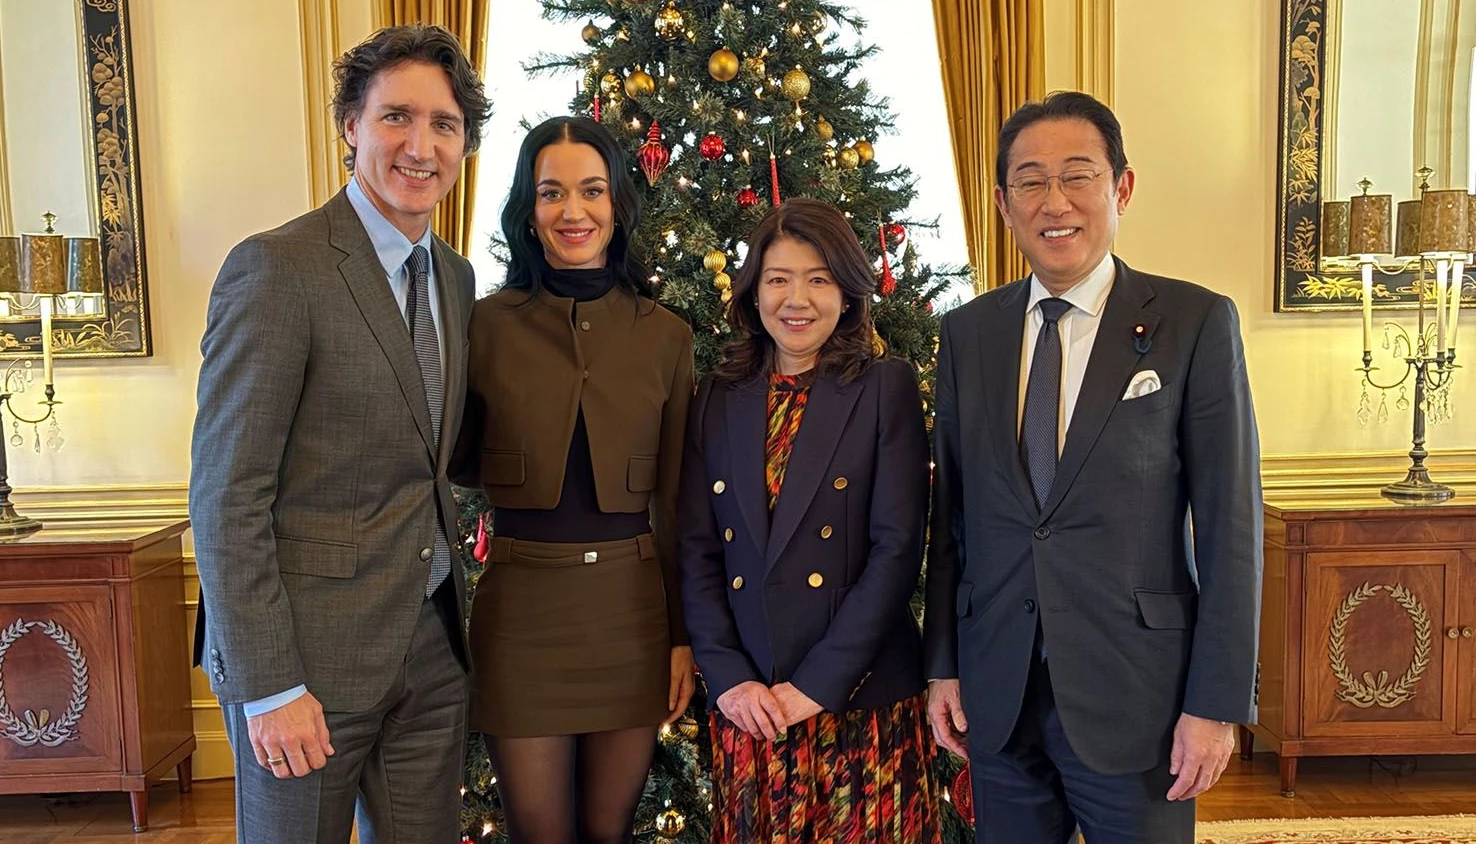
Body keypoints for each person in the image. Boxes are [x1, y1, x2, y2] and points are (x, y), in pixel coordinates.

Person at [923, 90, 1264, 843]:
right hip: (998, 693)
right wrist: (943, 664)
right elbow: (954, 522)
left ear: (1122, 188)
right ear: (1004, 203)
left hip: (1138, 701)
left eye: (1077, 175)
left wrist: (1215, 706)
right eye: (1030, 181)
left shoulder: (1194, 323)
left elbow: (1231, 531)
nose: (1055, 202)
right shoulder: (968, 335)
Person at [189, 25, 489, 844]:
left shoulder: (455, 277)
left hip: (431, 652)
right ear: (351, 125)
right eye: (397, 117)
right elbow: (226, 493)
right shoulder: (278, 268)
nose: (421, 146)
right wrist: (270, 685)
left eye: (445, 124)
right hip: (305, 667)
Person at [449, 115, 694, 844]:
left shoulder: (666, 335)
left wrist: (681, 637)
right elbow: (454, 459)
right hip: (522, 614)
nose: (572, 211)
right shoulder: (483, 325)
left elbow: (675, 503)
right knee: (539, 833)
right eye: (551, 192)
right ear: (528, 210)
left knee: (606, 832)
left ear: (617, 202)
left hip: (632, 617)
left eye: (591, 190)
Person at [677, 198, 941, 842]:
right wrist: (729, 679)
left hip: (860, 702)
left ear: (847, 293)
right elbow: (698, 551)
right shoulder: (717, 396)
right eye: (778, 279)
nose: (797, 300)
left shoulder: (885, 387)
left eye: (818, 279)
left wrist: (818, 685)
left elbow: (897, 551)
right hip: (753, 709)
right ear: (753, 292)